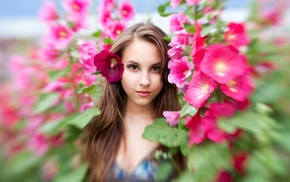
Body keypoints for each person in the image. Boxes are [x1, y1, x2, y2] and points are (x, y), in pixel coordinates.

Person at [83, 23, 183, 182]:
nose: (145, 81)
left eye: (155, 68)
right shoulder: (97, 124)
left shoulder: (180, 128)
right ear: (116, 68)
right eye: (134, 67)